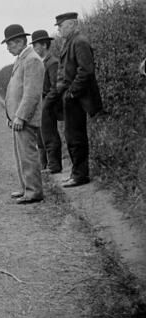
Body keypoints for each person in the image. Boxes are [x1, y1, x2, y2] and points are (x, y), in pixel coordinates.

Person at [52, 12, 104, 188]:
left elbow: (86, 71)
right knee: (72, 136)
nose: (59, 29)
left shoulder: (79, 41)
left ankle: (80, 175)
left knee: (76, 137)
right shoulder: (71, 41)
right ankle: (77, 173)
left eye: (61, 26)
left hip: (77, 98)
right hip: (72, 98)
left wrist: (72, 92)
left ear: (72, 24)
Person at [2, 24, 45, 204]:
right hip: (18, 117)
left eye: (10, 44)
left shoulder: (31, 60)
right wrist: (11, 116)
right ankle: (25, 187)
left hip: (25, 118)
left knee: (28, 155)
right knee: (21, 155)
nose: (8, 48)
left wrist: (20, 116)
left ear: (20, 42)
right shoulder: (22, 58)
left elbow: (31, 93)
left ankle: (33, 191)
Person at [30, 30, 63, 174]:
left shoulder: (52, 62)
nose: (35, 49)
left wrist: (46, 104)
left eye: (36, 45)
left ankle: (54, 166)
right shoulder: (41, 62)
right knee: (40, 136)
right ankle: (44, 165)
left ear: (44, 45)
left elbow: (55, 87)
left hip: (49, 104)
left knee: (49, 135)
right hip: (41, 103)